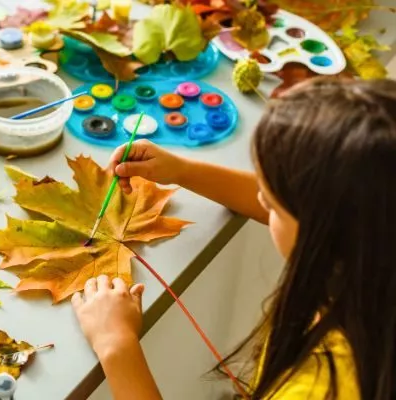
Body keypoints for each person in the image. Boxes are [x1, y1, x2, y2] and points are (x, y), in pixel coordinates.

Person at [72, 78, 396, 399]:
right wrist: (182, 171)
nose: (262, 201)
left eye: (270, 201)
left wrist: (116, 346)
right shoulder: (374, 249)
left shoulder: (323, 387)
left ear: (325, 233)